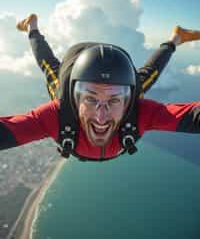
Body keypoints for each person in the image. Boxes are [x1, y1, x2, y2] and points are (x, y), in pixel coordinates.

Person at [0, 15, 200, 162]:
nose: (101, 117)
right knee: (49, 67)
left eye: (114, 100)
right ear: (75, 99)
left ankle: (177, 37)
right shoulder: (59, 114)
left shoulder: (138, 111)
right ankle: (32, 26)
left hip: (101, 69)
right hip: (80, 62)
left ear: (126, 102)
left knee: (147, 76)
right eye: (90, 98)